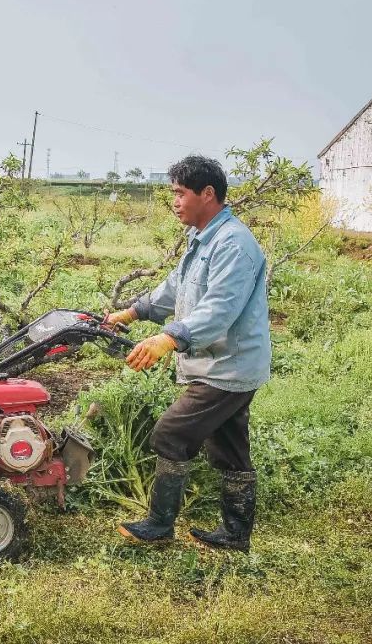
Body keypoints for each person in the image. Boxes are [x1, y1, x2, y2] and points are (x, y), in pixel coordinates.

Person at [105, 155, 270, 552]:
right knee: (229, 447)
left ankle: (160, 524)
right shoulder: (203, 239)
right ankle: (234, 535)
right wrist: (134, 310)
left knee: (171, 434)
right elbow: (175, 289)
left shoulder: (233, 244)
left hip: (228, 366)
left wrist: (169, 339)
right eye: (173, 194)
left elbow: (219, 309)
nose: (174, 202)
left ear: (207, 193)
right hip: (221, 363)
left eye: (180, 193)